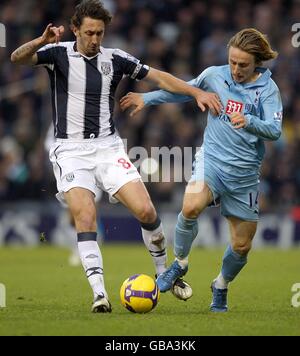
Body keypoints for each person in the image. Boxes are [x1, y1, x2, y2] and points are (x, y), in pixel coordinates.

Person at [11, 0, 221, 313]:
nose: (96, 39)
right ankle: (99, 294)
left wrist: (197, 93)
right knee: (85, 217)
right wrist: (41, 41)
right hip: (70, 151)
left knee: (147, 212)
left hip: (108, 149)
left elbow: (160, 77)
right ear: (75, 30)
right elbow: (18, 58)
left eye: (100, 33)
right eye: (90, 33)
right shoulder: (57, 54)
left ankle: (164, 273)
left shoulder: (116, 59)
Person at [120, 28, 283, 312]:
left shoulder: (268, 91)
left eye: (243, 64)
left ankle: (220, 285)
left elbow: (274, 130)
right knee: (191, 205)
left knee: (242, 246)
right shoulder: (214, 76)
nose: (235, 69)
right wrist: (147, 99)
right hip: (211, 162)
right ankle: (179, 264)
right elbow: (183, 92)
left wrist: (249, 120)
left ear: (257, 62)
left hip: (244, 176)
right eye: (232, 61)